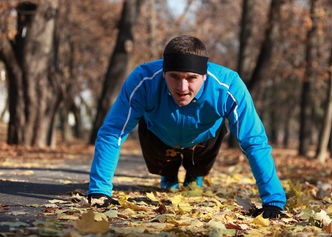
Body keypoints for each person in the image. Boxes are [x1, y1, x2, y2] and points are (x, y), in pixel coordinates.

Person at [88, 35, 286, 218]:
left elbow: (254, 141)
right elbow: (113, 132)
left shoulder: (229, 86)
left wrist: (274, 202)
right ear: (164, 73)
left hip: (203, 141)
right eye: (174, 76)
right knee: (168, 184)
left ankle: (194, 174)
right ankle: (169, 174)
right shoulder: (143, 80)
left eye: (191, 78)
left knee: (195, 178)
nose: (182, 88)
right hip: (158, 136)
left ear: (204, 76)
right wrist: (99, 191)